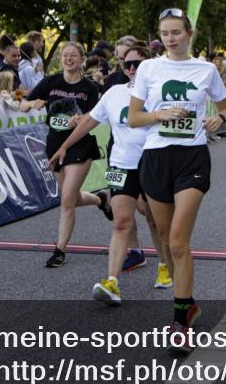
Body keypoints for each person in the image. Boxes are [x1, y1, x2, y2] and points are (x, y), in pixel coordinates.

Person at [126, 8, 226, 352]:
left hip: (192, 158)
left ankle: (180, 321)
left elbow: (225, 109)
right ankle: (188, 301)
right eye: (165, 33)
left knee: (178, 242)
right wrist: (160, 113)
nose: (171, 39)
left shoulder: (205, 70)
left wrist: (220, 119)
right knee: (165, 238)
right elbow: (133, 118)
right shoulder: (148, 68)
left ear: (189, 33)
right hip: (156, 157)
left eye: (176, 32)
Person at [50, 44, 173, 304]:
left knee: (152, 219)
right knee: (120, 222)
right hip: (120, 164)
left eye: (137, 64)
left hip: (152, 163)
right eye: (126, 64)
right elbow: (87, 122)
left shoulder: (162, 93)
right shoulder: (114, 93)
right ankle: (112, 282)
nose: (131, 69)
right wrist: (64, 147)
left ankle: (165, 265)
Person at [21, 42, 112, 268]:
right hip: (54, 145)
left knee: (67, 201)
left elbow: (93, 117)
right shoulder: (51, 82)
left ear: (82, 59)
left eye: (73, 56)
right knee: (71, 198)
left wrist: (80, 119)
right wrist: (34, 102)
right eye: (65, 55)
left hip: (80, 146)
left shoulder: (89, 88)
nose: (68, 59)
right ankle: (100, 199)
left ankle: (59, 250)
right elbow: (22, 105)